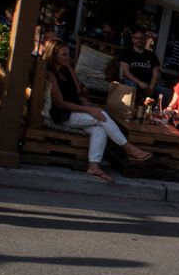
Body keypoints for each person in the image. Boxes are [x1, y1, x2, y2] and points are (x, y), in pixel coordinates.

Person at [41, 39, 152, 183]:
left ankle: (93, 166)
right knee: (102, 117)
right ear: (53, 55)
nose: (68, 57)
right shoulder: (51, 74)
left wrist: (88, 105)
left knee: (99, 129)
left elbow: (79, 93)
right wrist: (88, 110)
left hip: (77, 111)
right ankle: (129, 148)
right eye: (63, 55)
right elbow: (59, 103)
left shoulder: (66, 69)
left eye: (68, 54)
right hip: (62, 114)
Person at [119, 26, 169, 101]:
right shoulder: (126, 53)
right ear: (132, 39)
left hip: (148, 84)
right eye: (137, 38)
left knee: (164, 91)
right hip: (131, 82)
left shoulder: (152, 55)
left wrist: (151, 86)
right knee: (133, 86)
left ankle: (156, 111)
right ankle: (128, 110)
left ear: (145, 39)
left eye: (141, 38)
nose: (139, 40)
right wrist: (140, 83)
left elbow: (156, 73)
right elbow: (126, 72)